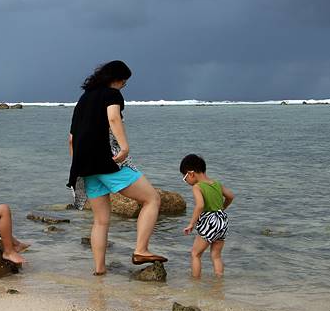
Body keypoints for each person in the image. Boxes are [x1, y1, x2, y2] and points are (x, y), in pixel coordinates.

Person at [67, 60, 167, 275]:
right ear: (116, 79)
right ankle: (140, 250)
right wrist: (124, 147)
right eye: (124, 82)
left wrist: (79, 166)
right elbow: (113, 118)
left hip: (84, 167)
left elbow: (71, 139)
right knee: (152, 199)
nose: (123, 86)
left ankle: (99, 270)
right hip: (106, 161)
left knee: (100, 221)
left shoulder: (83, 99)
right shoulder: (112, 94)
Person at [180, 154, 235, 278]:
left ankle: (196, 282)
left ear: (191, 173)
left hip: (209, 221)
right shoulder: (217, 184)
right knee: (216, 256)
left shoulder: (197, 187)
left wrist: (191, 224)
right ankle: (219, 282)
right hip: (222, 221)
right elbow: (231, 196)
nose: (185, 181)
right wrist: (222, 208)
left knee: (195, 254)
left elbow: (200, 206)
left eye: (184, 178)